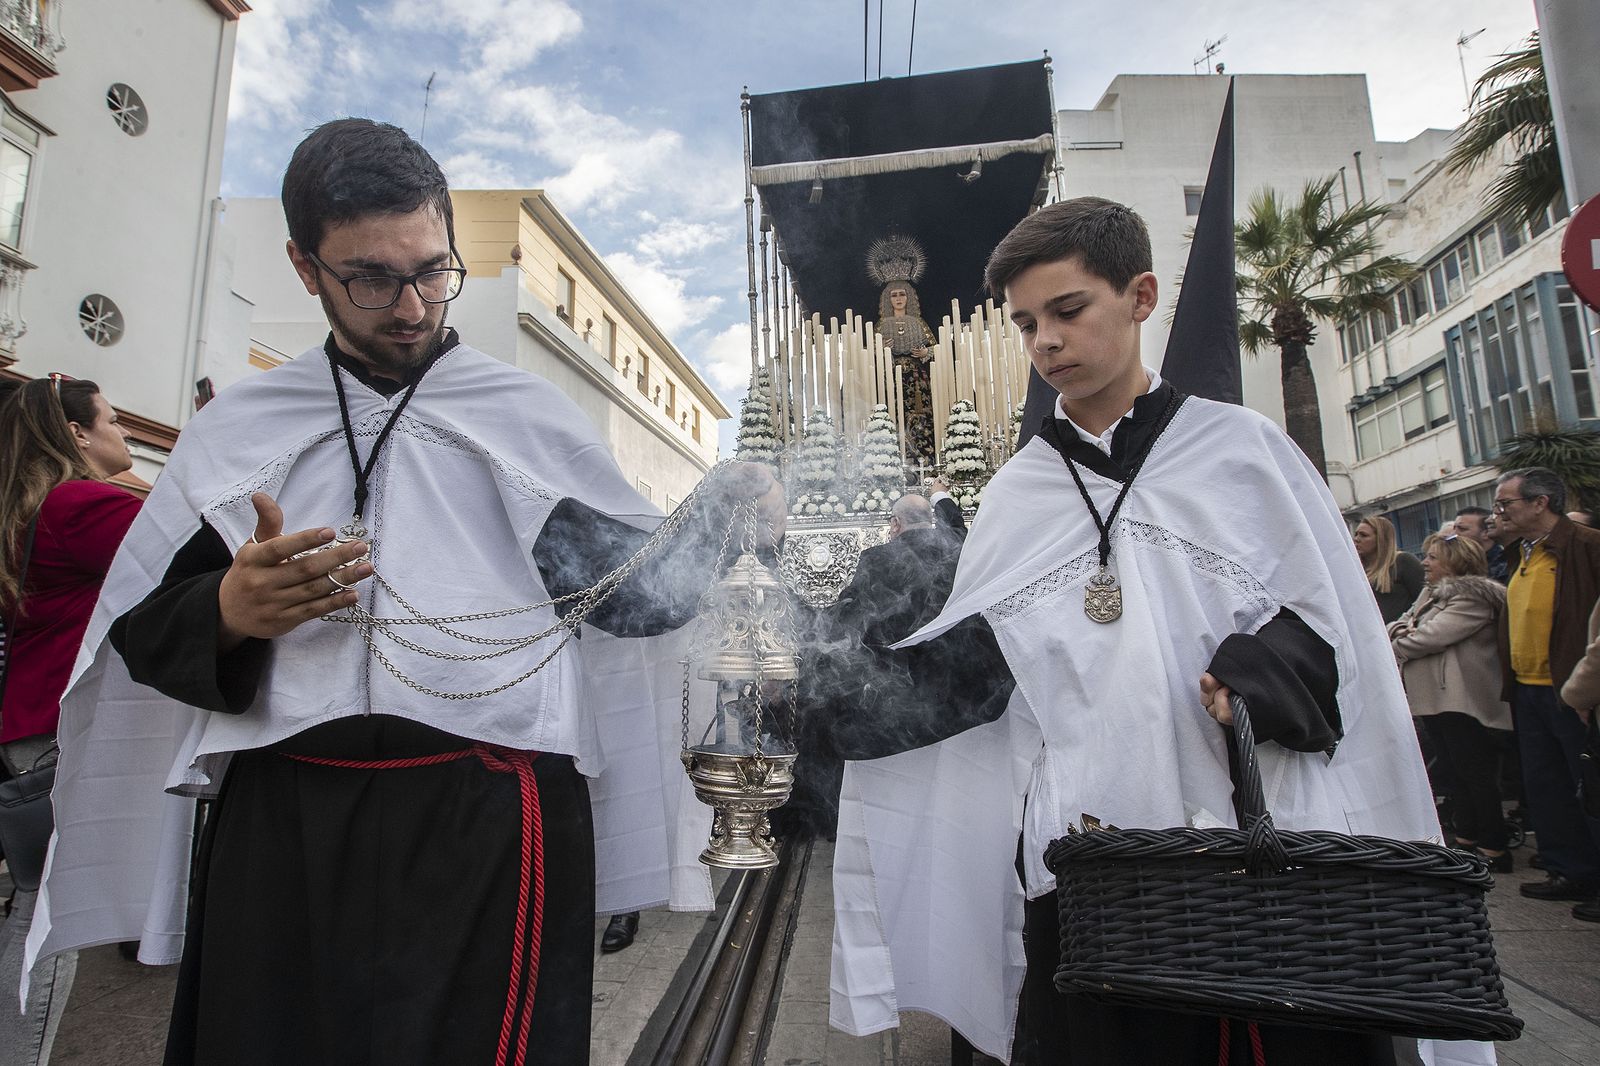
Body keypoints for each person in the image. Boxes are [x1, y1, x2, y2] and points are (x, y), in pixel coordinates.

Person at [26, 120, 779, 1066]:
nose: (413, 305)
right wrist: (226, 613)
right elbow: (137, 631)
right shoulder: (244, 427)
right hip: (286, 816)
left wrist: (717, 514)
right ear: (306, 268)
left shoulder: (524, 417)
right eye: (372, 279)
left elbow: (633, 600)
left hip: (493, 813)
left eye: (433, 269)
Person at [824, 198, 1464, 1065]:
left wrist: (1260, 674)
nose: (1044, 341)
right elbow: (982, 676)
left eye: (1068, 309)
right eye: (1024, 324)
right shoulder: (1019, 494)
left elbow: (1334, 632)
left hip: (1255, 861)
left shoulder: (1243, 452)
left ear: (1140, 297)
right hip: (1089, 864)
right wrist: (827, 685)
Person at [0, 375, 140, 1066]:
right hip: (55, 733)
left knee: (28, 909)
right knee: (45, 926)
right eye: (113, 421)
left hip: (22, 727)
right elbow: (190, 555)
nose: (125, 433)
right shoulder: (80, 504)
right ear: (79, 433)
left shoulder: (28, 508)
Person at [1491, 467, 1600, 917]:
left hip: (1574, 693)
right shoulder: (1521, 552)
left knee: (1589, 788)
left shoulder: (1588, 547)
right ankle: (1567, 870)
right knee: (1547, 785)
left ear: (1541, 503)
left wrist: (1586, 693)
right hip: (1528, 689)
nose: (1499, 513)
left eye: (1506, 504)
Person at [1388, 533, 1512, 869]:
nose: (1424, 563)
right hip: (1436, 700)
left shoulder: (1474, 598)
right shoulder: (1432, 594)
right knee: (1457, 772)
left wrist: (1403, 633)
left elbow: (1427, 638)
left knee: (1476, 774)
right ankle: (1468, 837)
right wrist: (1404, 632)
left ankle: (1494, 848)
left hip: (1463, 701)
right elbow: (1398, 626)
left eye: (1433, 557)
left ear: (1455, 562)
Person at [1353, 515, 1425, 624]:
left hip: (1399, 634)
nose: (1356, 539)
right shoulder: (1357, 570)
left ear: (1381, 539)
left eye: (1363, 535)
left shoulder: (1403, 561)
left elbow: (1424, 598)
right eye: (1356, 534)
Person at [1454, 506, 1507, 583]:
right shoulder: (1457, 563)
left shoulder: (1503, 566)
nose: (1454, 535)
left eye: (1462, 529)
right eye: (1454, 529)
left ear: (1486, 533)